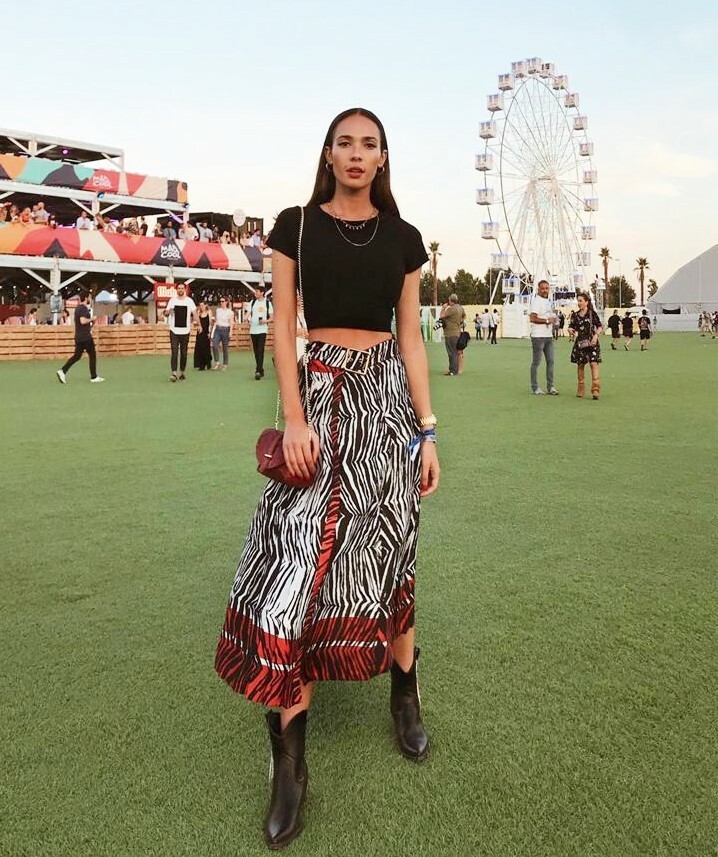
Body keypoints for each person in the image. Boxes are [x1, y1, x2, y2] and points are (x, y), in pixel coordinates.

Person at [214, 107, 440, 850]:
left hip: (383, 405)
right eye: (344, 141)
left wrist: (428, 430)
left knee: (389, 548)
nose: (356, 153)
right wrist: (294, 414)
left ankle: (404, 695)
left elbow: (409, 335)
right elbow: (282, 323)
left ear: (382, 159)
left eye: (369, 143)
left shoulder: (405, 240)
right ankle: (290, 766)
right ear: (328, 152)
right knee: (290, 565)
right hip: (315, 398)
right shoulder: (294, 226)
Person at [56, 291, 104, 384]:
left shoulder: (78, 308)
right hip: (85, 337)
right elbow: (82, 321)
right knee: (92, 355)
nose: (90, 299)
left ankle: (63, 371)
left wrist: (91, 322)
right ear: (86, 298)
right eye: (89, 297)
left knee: (77, 356)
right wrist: (92, 319)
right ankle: (93, 377)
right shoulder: (83, 308)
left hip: (79, 337)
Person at [568, 292, 603, 399]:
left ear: (586, 302)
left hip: (592, 342)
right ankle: (581, 387)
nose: (579, 303)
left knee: (593, 364)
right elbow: (570, 326)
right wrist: (570, 330)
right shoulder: (575, 315)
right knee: (581, 365)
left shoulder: (592, 314)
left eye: (581, 301)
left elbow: (599, 326)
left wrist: (596, 336)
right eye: (578, 301)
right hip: (580, 343)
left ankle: (595, 389)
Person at [162, 283, 198, 381]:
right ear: (176, 290)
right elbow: (165, 314)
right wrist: (168, 312)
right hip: (174, 331)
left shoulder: (189, 301)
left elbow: (195, 313)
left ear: (185, 289)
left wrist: (199, 324)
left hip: (185, 331)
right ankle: (174, 373)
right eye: (179, 288)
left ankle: (182, 372)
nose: (180, 290)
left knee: (184, 353)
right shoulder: (172, 301)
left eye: (182, 288)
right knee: (174, 352)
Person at [529, 279, 558, 395]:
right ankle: (535, 387)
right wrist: (546, 320)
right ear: (538, 289)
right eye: (543, 288)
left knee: (550, 361)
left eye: (547, 288)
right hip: (538, 336)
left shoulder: (549, 301)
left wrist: (554, 320)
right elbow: (532, 318)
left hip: (548, 336)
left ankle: (550, 386)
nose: (545, 290)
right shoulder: (536, 301)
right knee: (536, 362)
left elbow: (550, 317)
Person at [248, 285, 273, 380]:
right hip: (253, 329)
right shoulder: (253, 302)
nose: (255, 293)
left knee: (260, 349)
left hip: (262, 330)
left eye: (257, 291)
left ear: (262, 292)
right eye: (255, 292)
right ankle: (261, 369)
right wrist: (246, 318)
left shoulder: (267, 303)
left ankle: (258, 370)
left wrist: (265, 321)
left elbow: (272, 317)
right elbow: (248, 312)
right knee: (255, 351)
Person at [439, 293, 465, 376]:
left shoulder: (451, 309)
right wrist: (459, 323)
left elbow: (441, 316)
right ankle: (456, 369)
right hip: (457, 332)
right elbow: (464, 317)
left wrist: (443, 308)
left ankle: (452, 370)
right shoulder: (461, 308)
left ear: (450, 300)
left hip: (450, 333)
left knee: (451, 352)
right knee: (456, 352)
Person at [211, 296, 234, 370]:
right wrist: (213, 329)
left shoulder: (230, 312)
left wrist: (231, 331)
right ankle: (217, 362)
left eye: (223, 301)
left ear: (226, 302)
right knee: (214, 345)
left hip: (226, 329)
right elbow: (216, 320)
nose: (221, 303)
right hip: (218, 329)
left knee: (225, 348)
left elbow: (231, 323)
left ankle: (225, 364)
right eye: (220, 301)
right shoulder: (218, 310)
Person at [194, 301, 213, 370]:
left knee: (206, 348)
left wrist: (209, 332)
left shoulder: (209, 312)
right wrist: (195, 324)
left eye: (202, 305)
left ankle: (208, 363)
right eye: (200, 305)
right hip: (199, 332)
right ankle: (201, 364)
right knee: (199, 348)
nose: (201, 307)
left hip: (206, 332)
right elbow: (195, 321)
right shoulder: (198, 312)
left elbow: (210, 323)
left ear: (206, 305)